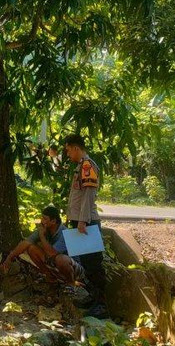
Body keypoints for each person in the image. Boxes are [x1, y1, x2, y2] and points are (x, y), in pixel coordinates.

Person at [64, 134, 108, 318]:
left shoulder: (88, 166)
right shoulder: (80, 166)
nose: (67, 154)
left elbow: (89, 196)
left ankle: (102, 305)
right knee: (85, 265)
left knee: (93, 265)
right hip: (80, 222)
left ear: (75, 148)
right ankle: (93, 297)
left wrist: (82, 221)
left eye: (67, 150)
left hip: (87, 223)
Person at [0, 206, 84, 285]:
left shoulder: (65, 233)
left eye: (44, 218)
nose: (41, 221)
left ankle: (71, 283)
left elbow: (52, 254)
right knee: (31, 249)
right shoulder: (44, 229)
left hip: (74, 270)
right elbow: (26, 243)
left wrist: (42, 236)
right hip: (56, 266)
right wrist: (9, 257)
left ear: (53, 221)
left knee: (60, 259)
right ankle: (50, 277)